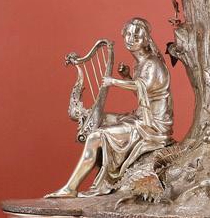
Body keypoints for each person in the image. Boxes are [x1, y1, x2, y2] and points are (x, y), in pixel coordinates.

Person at [46, 18, 172, 198]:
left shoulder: (152, 63)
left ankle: (71, 188)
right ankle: (97, 169)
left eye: (136, 36)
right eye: (128, 34)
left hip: (153, 125)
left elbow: (143, 86)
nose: (130, 39)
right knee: (99, 118)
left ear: (145, 40)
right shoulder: (139, 63)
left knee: (96, 136)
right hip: (141, 117)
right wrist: (127, 76)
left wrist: (114, 81)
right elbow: (143, 95)